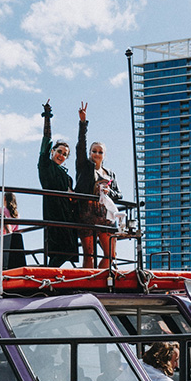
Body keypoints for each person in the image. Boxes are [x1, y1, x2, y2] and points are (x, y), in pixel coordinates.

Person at [75, 102, 120, 268]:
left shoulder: (110, 173)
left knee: (111, 254)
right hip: (86, 213)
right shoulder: (85, 167)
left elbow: (119, 194)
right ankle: (88, 285)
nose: (97, 154)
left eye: (100, 151)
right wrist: (83, 124)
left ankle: (101, 281)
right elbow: (81, 145)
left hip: (104, 216)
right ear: (90, 153)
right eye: (94, 151)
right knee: (89, 255)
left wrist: (110, 192)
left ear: (104, 155)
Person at [38, 100, 79, 267]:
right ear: (53, 151)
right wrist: (48, 117)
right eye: (59, 151)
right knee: (57, 247)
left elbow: (71, 193)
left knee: (68, 248)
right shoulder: (45, 165)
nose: (61, 155)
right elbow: (46, 140)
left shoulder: (67, 176)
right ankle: (47, 271)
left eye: (65, 154)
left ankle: (49, 271)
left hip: (66, 213)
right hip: (52, 210)